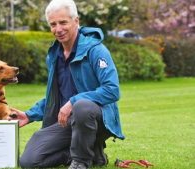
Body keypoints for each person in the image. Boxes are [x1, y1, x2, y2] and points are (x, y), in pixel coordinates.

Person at [8, 0, 125, 168]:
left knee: (82, 106)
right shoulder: (53, 56)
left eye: (63, 22)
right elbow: (55, 97)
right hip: (68, 122)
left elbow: (112, 91)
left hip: (97, 121)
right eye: (53, 24)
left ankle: (81, 161)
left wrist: (73, 101)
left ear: (76, 21)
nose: (58, 29)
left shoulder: (97, 51)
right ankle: (90, 153)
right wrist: (29, 115)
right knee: (29, 161)